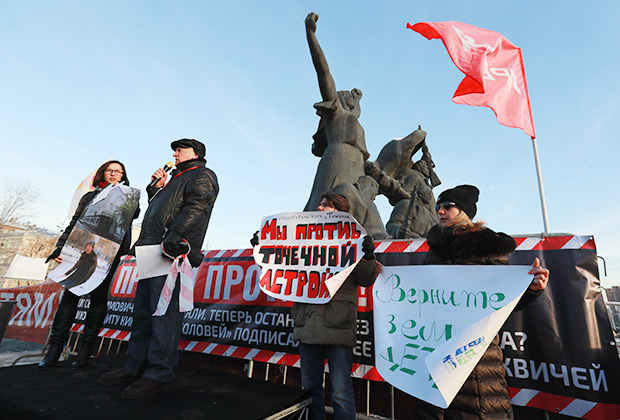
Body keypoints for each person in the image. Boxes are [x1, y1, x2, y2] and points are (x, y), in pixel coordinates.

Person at [98, 138, 219, 400]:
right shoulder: (176, 178)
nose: (174, 153)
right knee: (143, 312)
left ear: (195, 153)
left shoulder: (202, 175)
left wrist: (176, 236)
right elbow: (157, 212)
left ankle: (160, 374)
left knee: (164, 315)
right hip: (152, 248)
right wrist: (155, 189)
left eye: (180, 149)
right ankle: (135, 366)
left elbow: (197, 207)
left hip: (171, 250)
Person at [416, 185, 549, 420]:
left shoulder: (487, 248)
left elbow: (505, 299)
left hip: (475, 355)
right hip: (435, 346)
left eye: (448, 206)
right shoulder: (434, 250)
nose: (440, 211)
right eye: (438, 207)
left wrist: (531, 290)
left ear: (464, 211)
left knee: (478, 410)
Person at [39, 160, 136, 370]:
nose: (114, 174)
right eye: (110, 170)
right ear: (103, 173)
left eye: (119, 172)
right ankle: (54, 350)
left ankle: (85, 351)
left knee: (99, 299)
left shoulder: (128, 197)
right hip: (82, 251)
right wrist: (60, 248)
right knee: (69, 297)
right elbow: (74, 222)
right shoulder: (89, 197)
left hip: (109, 255)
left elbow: (135, 212)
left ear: (123, 176)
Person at [293, 192, 380, 420]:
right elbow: (279, 270)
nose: (320, 209)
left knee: (341, 392)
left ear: (340, 213)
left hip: (337, 324)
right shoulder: (302, 239)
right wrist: (263, 247)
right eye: (320, 205)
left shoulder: (354, 240)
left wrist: (367, 256)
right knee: (310, 389)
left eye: (327, 206)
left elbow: (365, 279)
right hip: (308, 322)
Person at [303, 12, 371, 212]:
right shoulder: (337, 114)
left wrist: (357, 99)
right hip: (338, 160)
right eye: (349, 95)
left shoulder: (353, 120)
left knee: (355, 208)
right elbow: (323, 72)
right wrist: (311, 35)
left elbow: (356, 112)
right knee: (329, 202)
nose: (353, 96)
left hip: (357, 164)